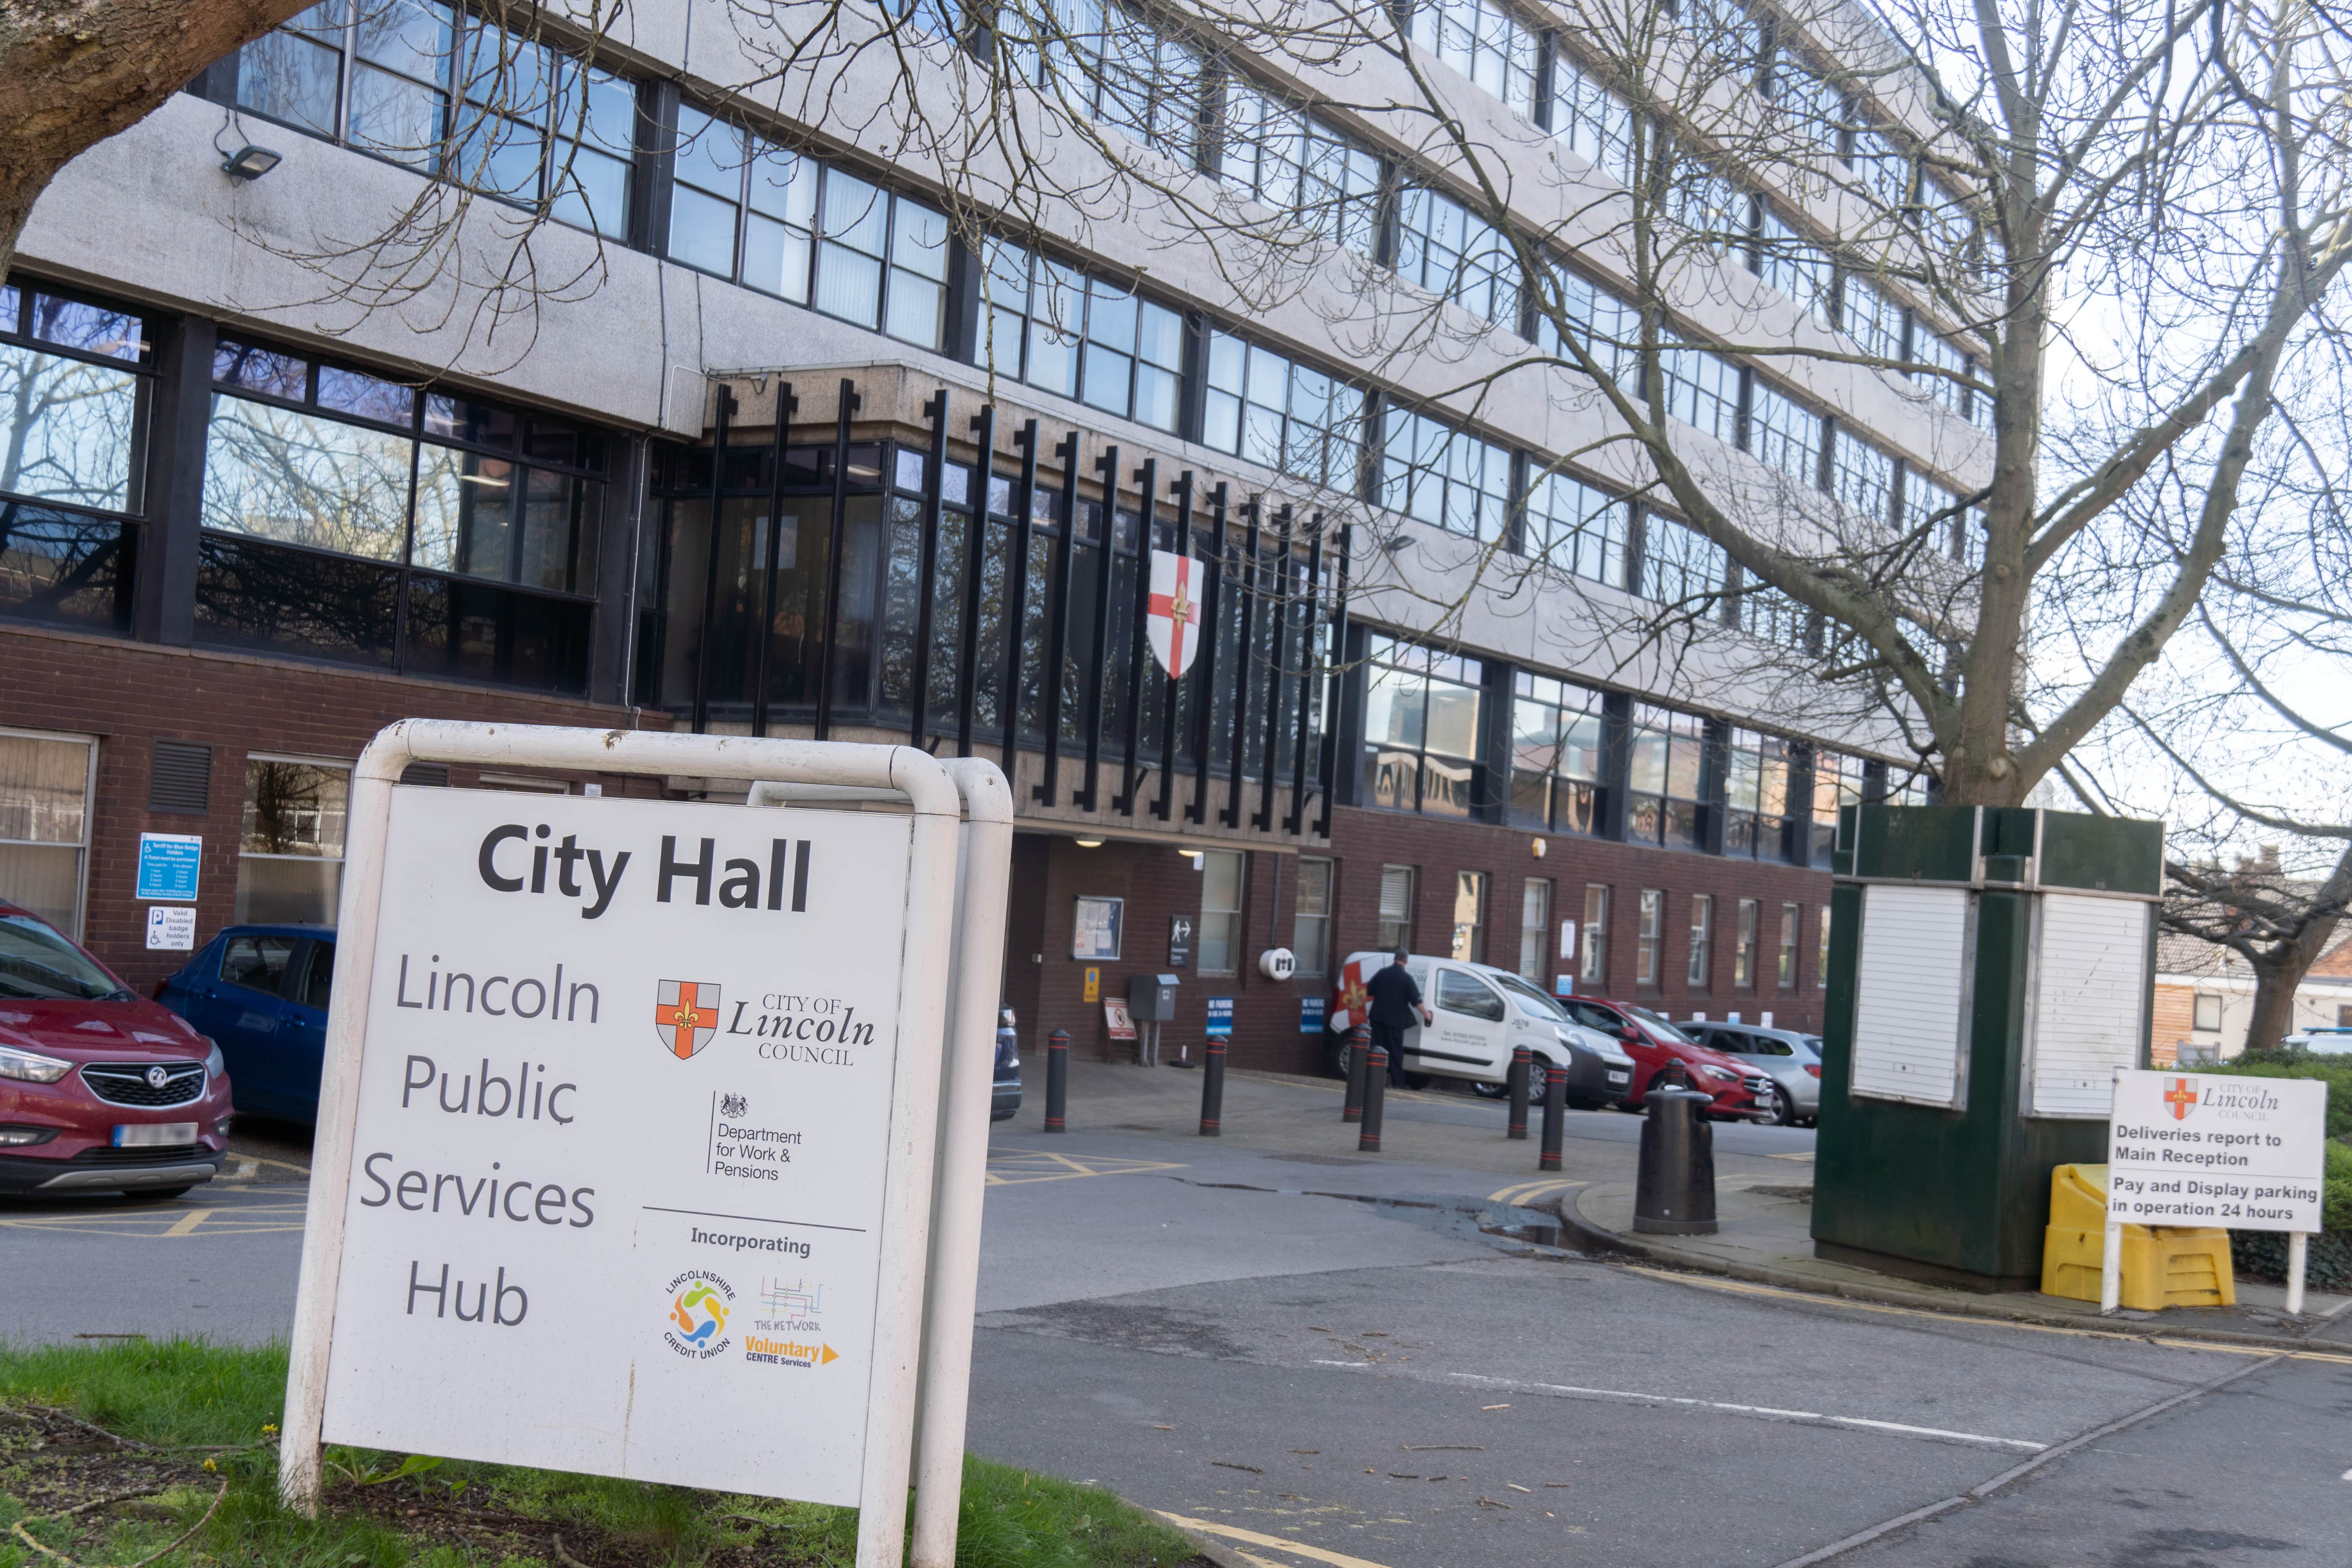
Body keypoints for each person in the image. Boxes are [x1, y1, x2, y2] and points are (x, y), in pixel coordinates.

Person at [1363, 948, 1433, 1087]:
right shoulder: (1406, 978)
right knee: (1395, 1052)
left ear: (1395, 959)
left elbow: (1369, 991)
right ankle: (1398, 1082)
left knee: (1376, 1048)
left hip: (1377, 1018)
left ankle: (1375, 1080)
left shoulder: (1382, 973)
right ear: (1406, 961)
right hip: (1395, 1021)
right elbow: (1416, 1001)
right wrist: (1427, 1014)